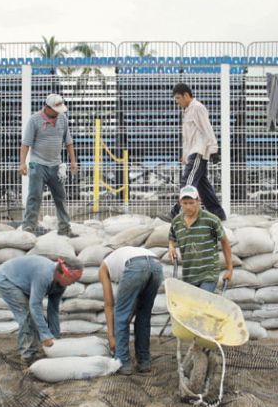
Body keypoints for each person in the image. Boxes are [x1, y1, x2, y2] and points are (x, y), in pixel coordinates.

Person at [0, 255, 84, 365]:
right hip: (7, 280)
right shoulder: (44, 275)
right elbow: (35, 305)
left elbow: (53, 310)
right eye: (73, 280)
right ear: (63, 274)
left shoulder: (61, 285)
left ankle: (39, 347)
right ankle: (27, 356)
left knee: (38, 318)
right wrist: (45, 336)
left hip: (23, 282)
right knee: (27, 316)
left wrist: (55, 339)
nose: (73, 283)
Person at [163, 83, 227, 222]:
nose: (177, 102)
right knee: (203, 185)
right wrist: (185, 155)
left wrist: (213, 149)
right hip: (193, 152)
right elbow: (188, 137)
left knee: (188, 182)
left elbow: (207, 128)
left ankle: (177, 213)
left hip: (198, 151)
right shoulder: (187, 111)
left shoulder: (197, 108)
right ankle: (218, 213)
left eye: (179, 98)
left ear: (186, 95)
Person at [20, 93, 79, 237]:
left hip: (55, 165)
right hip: (37, 164)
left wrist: (73, 160)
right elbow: (26, 143)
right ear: (47, 108)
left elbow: (68, 141)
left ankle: (64, 228)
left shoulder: (62, 119)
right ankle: (29, 227)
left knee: (60, 197)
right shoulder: (34, 120)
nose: (58, 113)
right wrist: (22, 163)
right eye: (56, 110)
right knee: (34, 196)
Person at [98, 246, 164, 375]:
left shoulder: (104, 266)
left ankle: (122, 363)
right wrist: (127, 317)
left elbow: (109, 305)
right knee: (143, 316)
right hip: (156, 266)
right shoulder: (124, 254)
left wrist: (112, 337)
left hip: (136, 266)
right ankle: (144, 362)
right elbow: (134, 303)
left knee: (120, 314)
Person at [168, 185, 233, 293]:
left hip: (208, 273)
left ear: (198, 201)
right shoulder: (177, 222)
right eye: (185, 203)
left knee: (202, 302)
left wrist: (229, 269)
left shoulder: (211, 220)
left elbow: (225, 242)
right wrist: (171, 247)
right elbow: (172, 237)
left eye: (191, 203)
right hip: (189, 274)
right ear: (179, 203)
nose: (188, 207)